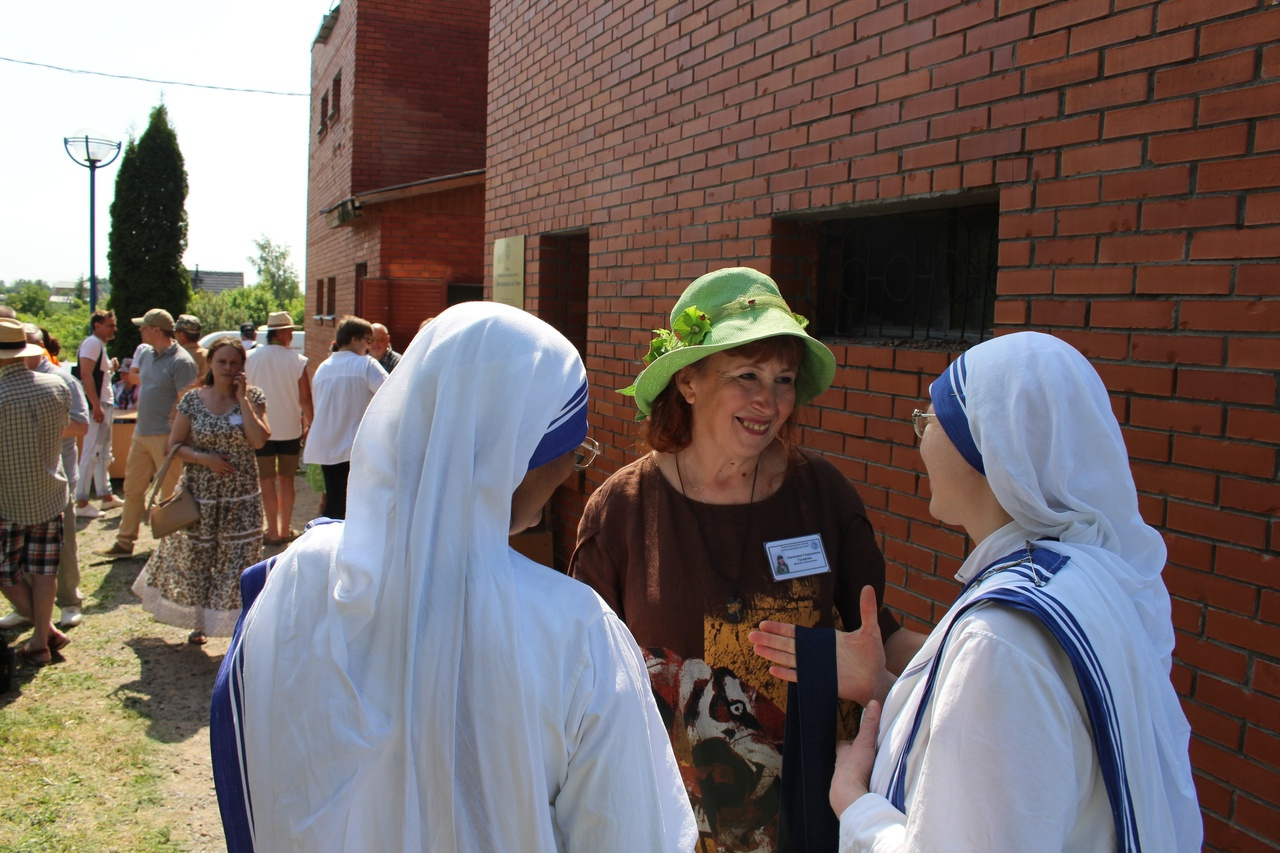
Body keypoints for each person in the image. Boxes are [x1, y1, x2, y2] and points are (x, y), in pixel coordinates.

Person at [210, 302, 697, 852]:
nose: (567, 475)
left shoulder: (301, 575)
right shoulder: (578, 631)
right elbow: (629, 832)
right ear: (517, 453)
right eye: (573, 451)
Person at [752, 332, 1203, 851]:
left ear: (988, 445)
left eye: (930, 420)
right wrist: (883, 684)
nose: (919, 434)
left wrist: (854, 804)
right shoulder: (1091, 579)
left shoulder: (1000, 640)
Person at [569, 267, 919, 852]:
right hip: (666, 825)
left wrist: (966, 662)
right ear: (688, 383)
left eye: (784, 379)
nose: (769, 401)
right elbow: (579, 678)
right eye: (747, 375)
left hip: (808, 822)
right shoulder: (622, 512)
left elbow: (876, 640)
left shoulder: (824, 496)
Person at [132, 337, 269, 644]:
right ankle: (199, 622)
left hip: (241, 497)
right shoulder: (193, 400)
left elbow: (259, 440)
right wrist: (204, 459)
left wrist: (243, 399)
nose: (228, 368)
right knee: (197, 556)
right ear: (209, 363)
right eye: (222, 362)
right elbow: (174, 446)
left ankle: (239, 623)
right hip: (200, 494)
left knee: (238, 559)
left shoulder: (254, 397)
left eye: (234, 363)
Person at [0, 325, 90, 631]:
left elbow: (79, 426)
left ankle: (55, 619)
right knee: (41, 569)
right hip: (45, 487)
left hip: (26, 490)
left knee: (23, 569)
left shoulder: (57, 381)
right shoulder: (55, 385)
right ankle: (40, 631)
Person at [96, 309, 198, 559]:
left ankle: (173, 547)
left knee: (171, 494)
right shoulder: (148, 355)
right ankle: (125, 541)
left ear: (156, 330)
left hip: (166, 438)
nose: (140, 330)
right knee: (132, 489)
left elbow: (187, 403)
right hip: (142, 434)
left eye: (144, 327)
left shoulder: (181, 361)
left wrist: (176, 439)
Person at [302, 315, 387, 519]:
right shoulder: (365, 364)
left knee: (335, 503)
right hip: (354, 448)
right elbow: (391, 392)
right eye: (368, 340)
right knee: (356, 507)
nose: (368, 347)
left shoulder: (323, 368)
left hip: (328, 448)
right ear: (354, 339)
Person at [245, 311, 313, 545]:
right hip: (289, 429)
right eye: (291, 331)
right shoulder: (297, 360)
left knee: (266, 480)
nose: (292, 335)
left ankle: (271, 530)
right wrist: (311, 424)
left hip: (260, 428)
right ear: (282, 333)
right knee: (287, 479)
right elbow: (305, 398)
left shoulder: (249, 357)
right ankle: (285, 530)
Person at [74, 309, 123, 518]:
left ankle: (106, 496)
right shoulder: (93, 343)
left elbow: (95, 374)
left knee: (103, 451)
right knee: (92, 451)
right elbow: (85, 374)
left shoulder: (98, 345)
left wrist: (110, 367)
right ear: (97, 325)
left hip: (104, 403)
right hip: (99, 404)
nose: (114, 329)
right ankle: (82, 500)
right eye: (110, 325)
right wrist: (95, 405)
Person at [174, 313, 208, 379]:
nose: (174, 335)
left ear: (182, 335)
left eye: (175, 331)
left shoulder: (176, 356)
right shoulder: (208, 356)